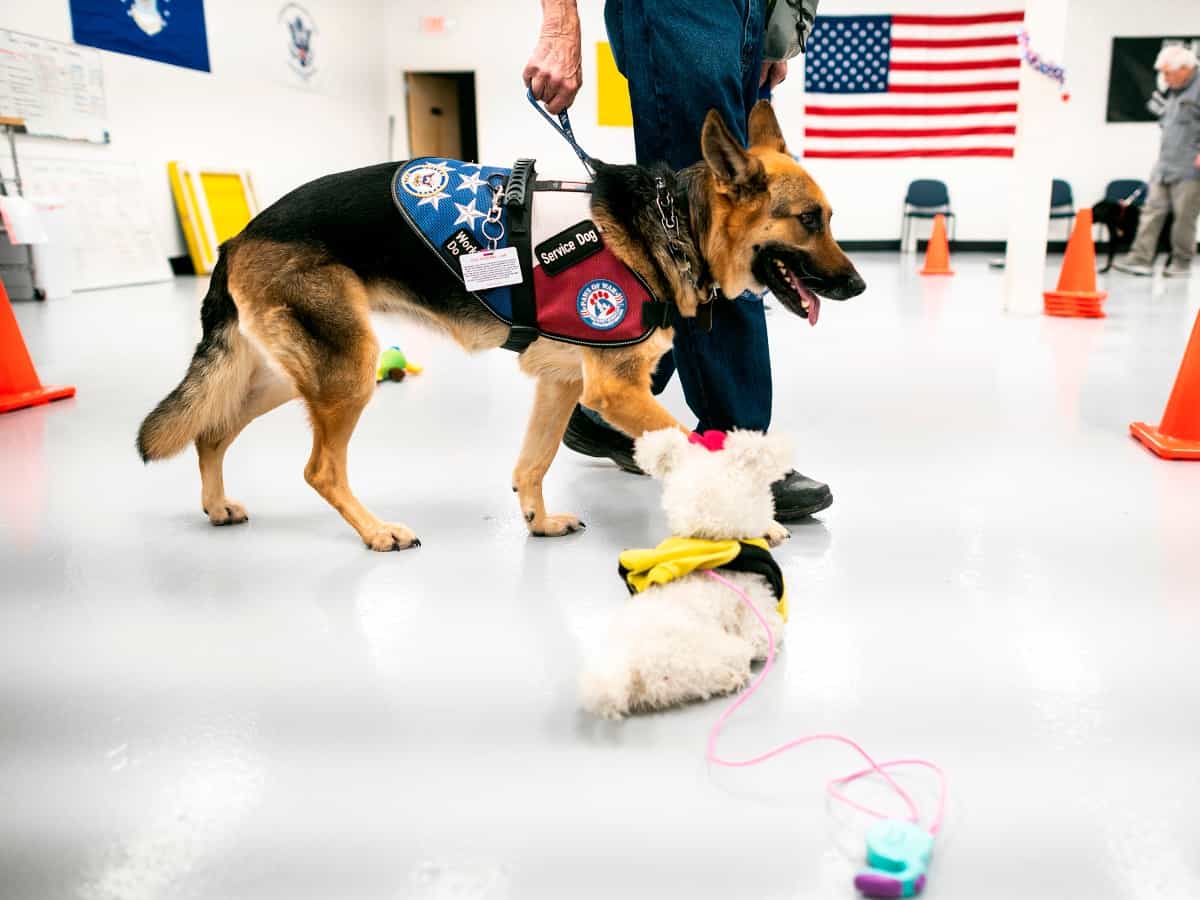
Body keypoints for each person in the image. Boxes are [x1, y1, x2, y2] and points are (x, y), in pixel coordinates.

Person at [523, 0, 832, 521]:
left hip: (747, 14)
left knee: (696, 222)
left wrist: (777, 25)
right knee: (716, 228)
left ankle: (616, 399)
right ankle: (736, 451)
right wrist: (559, 23)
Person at [1114, 45, 1200, 278]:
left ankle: (1181, 263)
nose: (1164, 78)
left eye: (1168, 72)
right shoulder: (1173, 89)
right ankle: (1140, 259)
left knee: (1184, 217)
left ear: (1185, 68)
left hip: (1191, 167)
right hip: (1165, 164)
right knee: (1152, 211)